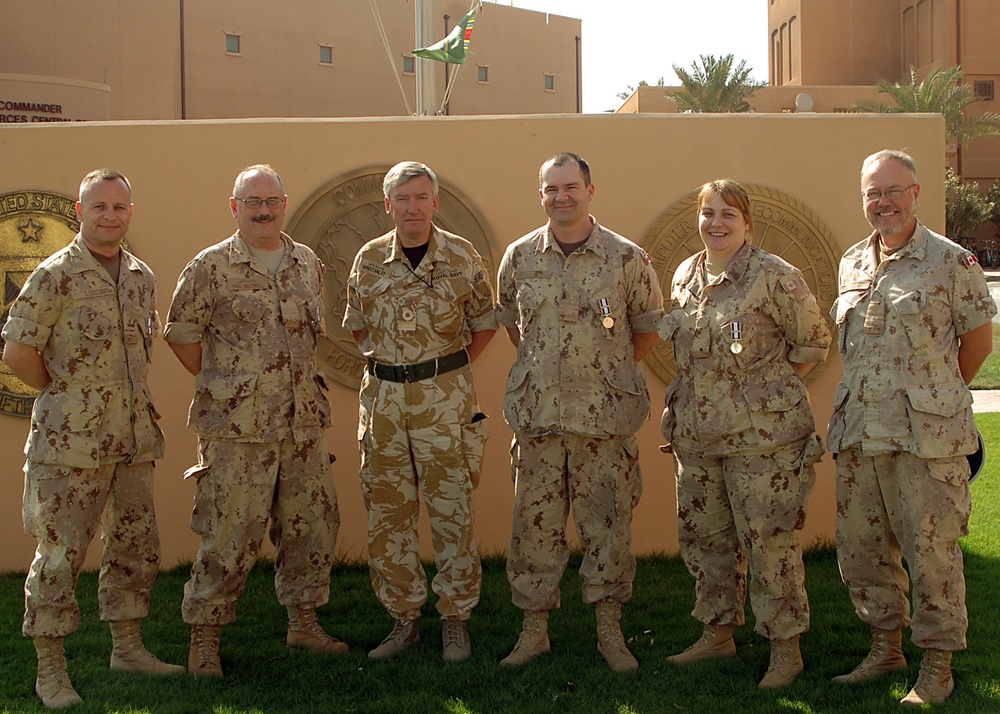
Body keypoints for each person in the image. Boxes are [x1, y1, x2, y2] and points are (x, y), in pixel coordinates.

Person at [2, 168, 182, 708]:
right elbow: (16, 352)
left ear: (130, 212)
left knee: (134, 549)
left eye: (119, 206)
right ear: (80, 212)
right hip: (69, 445)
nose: (110, 215)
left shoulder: (140, 276)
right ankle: (50, 671)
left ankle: (127, 649)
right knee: (59, 557)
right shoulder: (54, 274)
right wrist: (63, 395)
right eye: (99, 206)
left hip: (130, 442)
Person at [165, 164, 346, 678]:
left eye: (271, 201)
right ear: (235, 207)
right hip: (237, 432)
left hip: (302, 426)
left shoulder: (306, 262)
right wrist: (228, 384)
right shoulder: (209, 267)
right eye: (252, 202)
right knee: (228, 537)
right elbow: (181, 336)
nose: (263, 211)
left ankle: (303, 623)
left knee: (311, 527)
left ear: (283, 204)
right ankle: (205, 640)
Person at [829, 150, 995, 705]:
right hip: (860, 433)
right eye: (873, 193)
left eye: (893, 190)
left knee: (933, 553)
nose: (884, 202)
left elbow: (975, 346)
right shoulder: (852, 261)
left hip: (925, 440)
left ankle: (938, 666)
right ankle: (885, 649)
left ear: (916, 193)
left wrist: (932, 397)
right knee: (863, 550)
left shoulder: (952, 262)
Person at [657, 179, 831, 688]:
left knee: (768, 542)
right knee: (707, 539)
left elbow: (811, 343)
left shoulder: (777, 276)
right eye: (708, 213)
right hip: (696, 434)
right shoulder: (687, 273)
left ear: (747, 221)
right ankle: (717, 634)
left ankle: (785, 648)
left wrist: (761, 393)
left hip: (763, 441)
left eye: (728, 214)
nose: (716, 223)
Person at [495, 152, 662, 673]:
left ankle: (610, 632)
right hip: (539, 418)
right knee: (533, 530)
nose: (561, 196)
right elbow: (513, 325)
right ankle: (534, 632)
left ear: (591, 190)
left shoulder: (627, 257)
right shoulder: (519, 256)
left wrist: (601, 373)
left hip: (604, 421)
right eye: (551, 188)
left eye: (571, 186)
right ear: (540, 194)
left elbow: (647, 329)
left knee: (608, 529)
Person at [343, 161, 496, 662]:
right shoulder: (367, 260)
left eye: (421, 196)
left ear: (435, 202)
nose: (412, 207)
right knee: (388, 515)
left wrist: (441, 369)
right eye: (402, 198)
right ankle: (403, 619)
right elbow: (358, 326)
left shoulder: (460, 256)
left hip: (444, 404)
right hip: (384, 405)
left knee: (452, 513)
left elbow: (484, 321)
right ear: (388, 206)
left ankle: (455, 619)